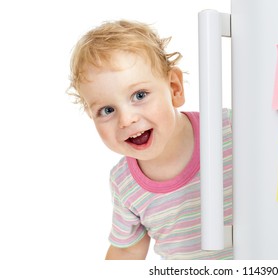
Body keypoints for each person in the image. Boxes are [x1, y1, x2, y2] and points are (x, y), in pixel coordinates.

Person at [68, 20, 233, 260]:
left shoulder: (227, 128)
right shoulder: (124, 182)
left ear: (174, 88)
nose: (126, 120)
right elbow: (128, 250)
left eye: (139, 95)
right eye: (107, 110)